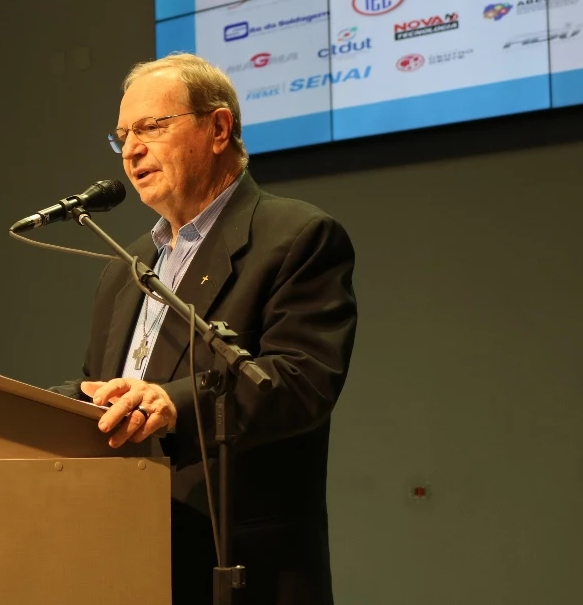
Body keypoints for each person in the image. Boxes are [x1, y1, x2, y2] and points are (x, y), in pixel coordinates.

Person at [49, 53, 357, 604]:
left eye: (150, 127)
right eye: (123, 136)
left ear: (218, 129)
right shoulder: (124, 267)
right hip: (125, 558)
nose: (132, 150)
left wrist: (173, 404)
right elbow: (103, 387)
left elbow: (300, 382)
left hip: (241, 569)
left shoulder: (296, 236)